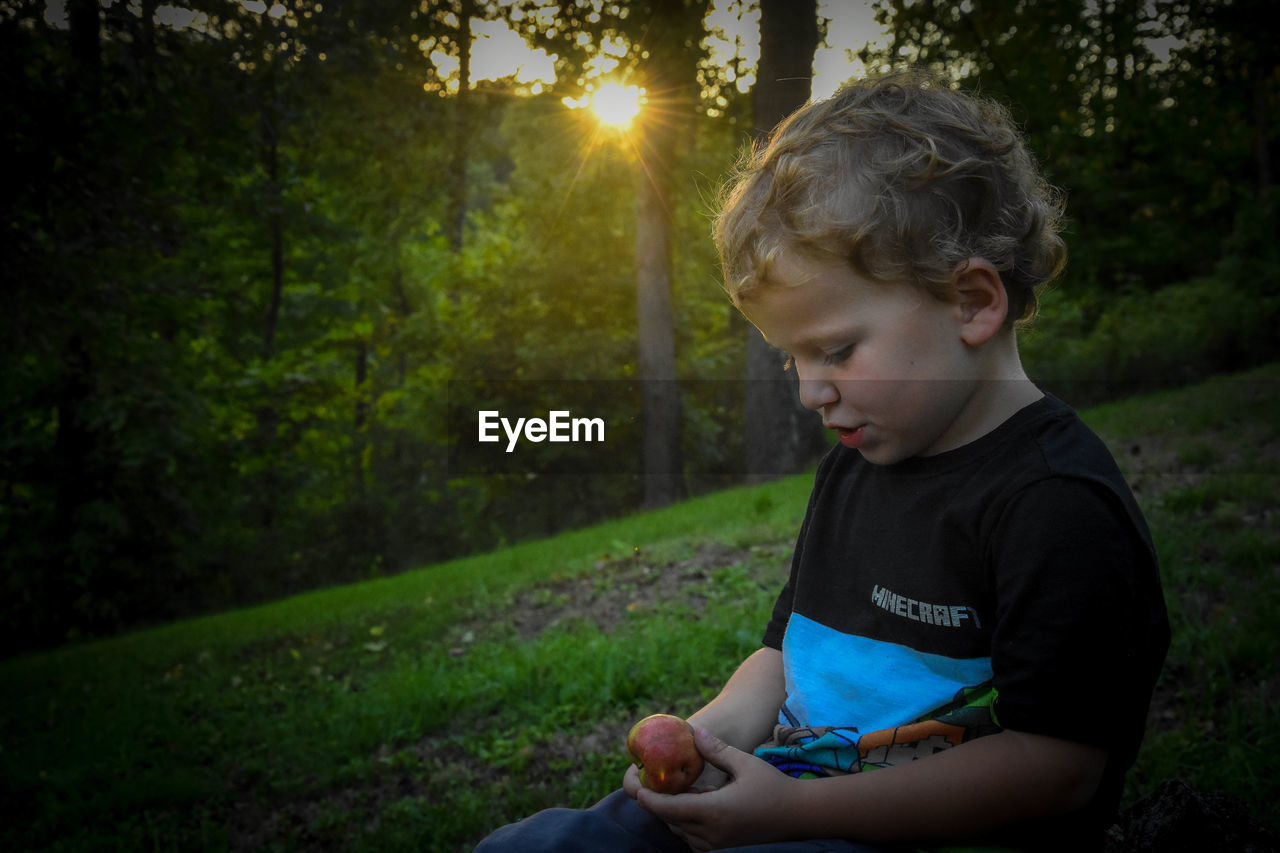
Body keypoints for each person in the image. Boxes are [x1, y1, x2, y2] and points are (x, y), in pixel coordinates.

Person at [474, 68, 1170, 853]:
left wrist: (792, 814)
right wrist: (713, 738)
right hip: (784, 797)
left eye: (835, 349)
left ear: (972, 301)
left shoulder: (1056, 505)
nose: (810, 391)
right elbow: (786, 653)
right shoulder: (856, 466)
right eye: (791, 359)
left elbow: (1057, 768)